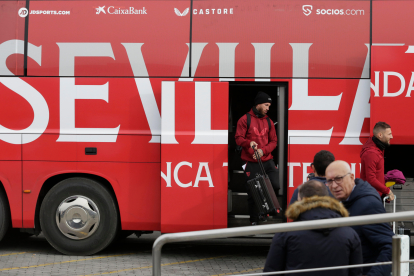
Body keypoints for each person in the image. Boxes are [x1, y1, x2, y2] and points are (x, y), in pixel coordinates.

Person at [264, 180, 363, 276]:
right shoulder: (349, 234)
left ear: (301, 200)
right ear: (327, 198)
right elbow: (356, 271)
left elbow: (271, 271)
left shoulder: (285, 233)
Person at [325, 161, 393, 276]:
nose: (334, 185)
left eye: (338, 179)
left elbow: (390, 246)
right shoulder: (338, 202)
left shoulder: (368, 205)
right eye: (330, 181)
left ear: (352, 177)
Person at [235, 91, 278, 225]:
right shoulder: (244, 119)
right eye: (266, 105)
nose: (268, 108)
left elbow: (274, 142)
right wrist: (249, 143)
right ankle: (254, 220)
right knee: (253, 190)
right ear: (258, 104)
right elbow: (238, 138)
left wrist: (262, 151)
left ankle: (265, 210)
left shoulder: (269, 121)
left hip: (266, 160)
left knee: (275, 185)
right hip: (250, 161)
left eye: (269, 106)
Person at [360, 121, 394, 200]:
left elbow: (376, 176)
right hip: (371, 198)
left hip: (374, 195)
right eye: (389, 134)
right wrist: (387, 191)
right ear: (380, 135)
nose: (392, 137)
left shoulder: (378, 149)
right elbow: (371, 179)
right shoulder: (371, 153)